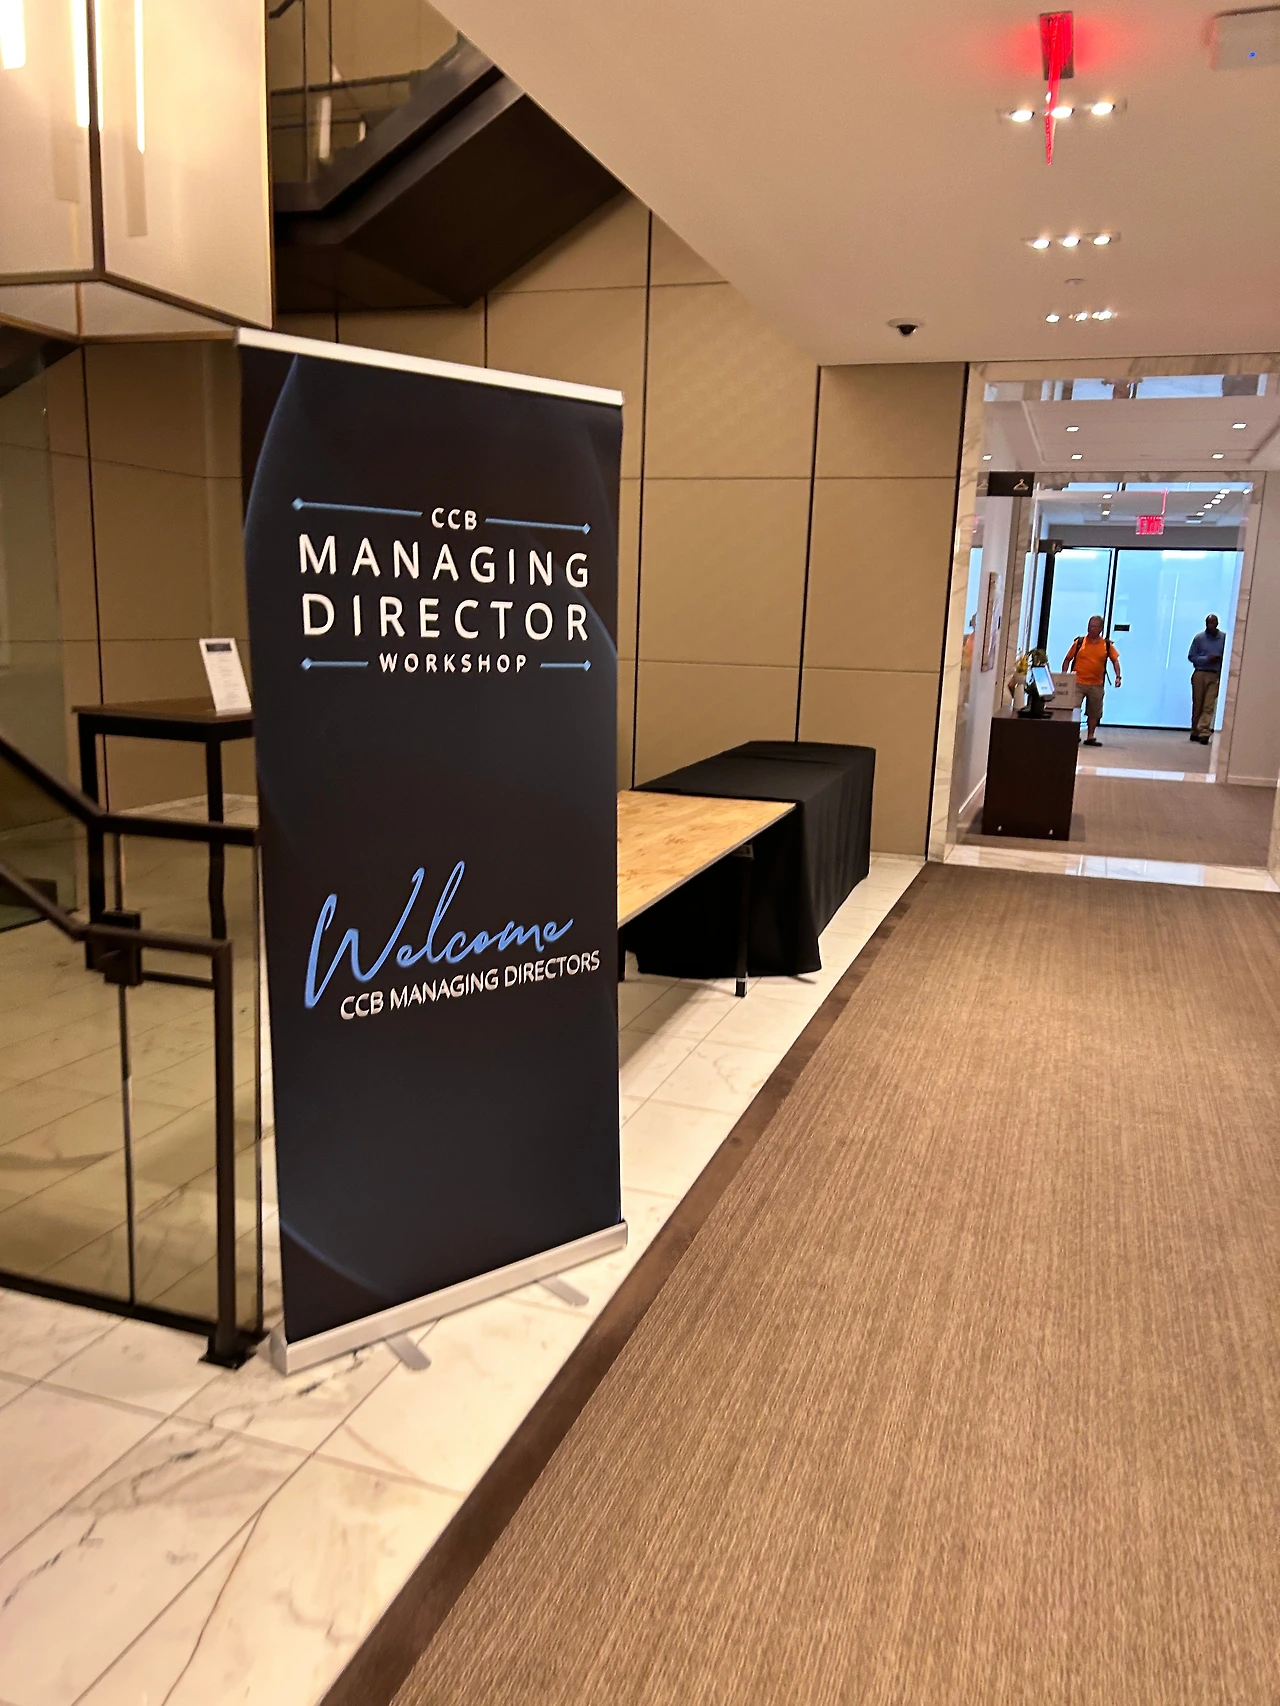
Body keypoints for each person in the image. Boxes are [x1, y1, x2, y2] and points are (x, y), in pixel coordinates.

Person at [1062, 616, 1121, 747]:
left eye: (1094, 626)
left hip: (1096, 684)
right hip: (1078, 682)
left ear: (1100, 629)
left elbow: (1115, 661)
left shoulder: (1106, 645)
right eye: (1090, 625)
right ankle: (1074, 734)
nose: (1091, 629)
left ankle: (1090, 736)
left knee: (1094, 712)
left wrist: (1118, 676)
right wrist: (1064, 676)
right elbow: (1067, 659)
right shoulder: (1079, 642)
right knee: (1074, 708)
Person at [1187, 614, 1225, 744]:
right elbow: (1192, 656)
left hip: (1215, 674)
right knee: (1198, 704)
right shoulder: (1199, 638)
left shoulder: (1224, 639)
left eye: (1213, 623)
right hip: (1200, 673)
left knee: (1209, 705)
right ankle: (1195, 730)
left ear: (1217, 623)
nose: (1210, 626)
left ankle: (1204, 732)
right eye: (1208, 623)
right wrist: (1207, 658)